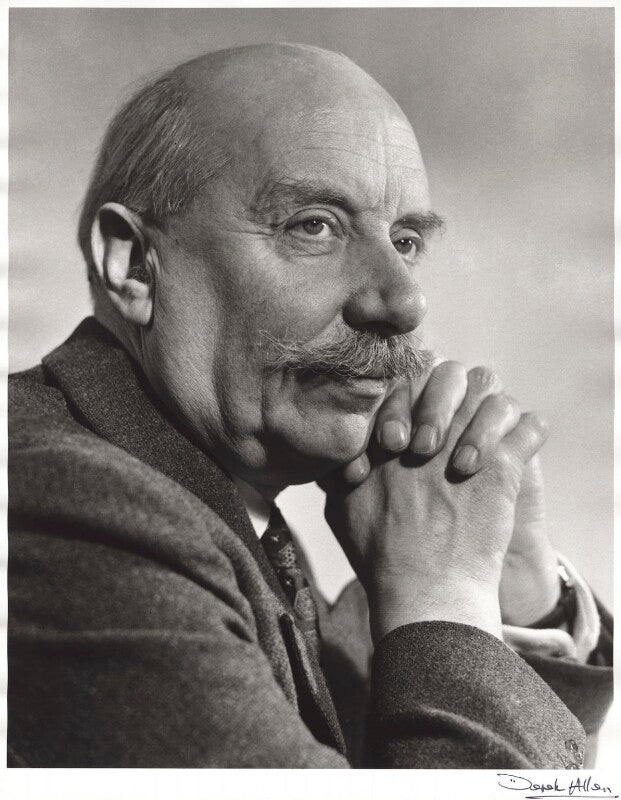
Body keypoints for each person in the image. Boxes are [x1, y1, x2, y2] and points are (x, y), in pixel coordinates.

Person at [8, 43, 612, 769]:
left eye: (405, 240)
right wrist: (445, 599)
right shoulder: (67, 507)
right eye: (313, 225)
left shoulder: (232, 524)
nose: (404, 301)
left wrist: (515, 593)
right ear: (133, 263)